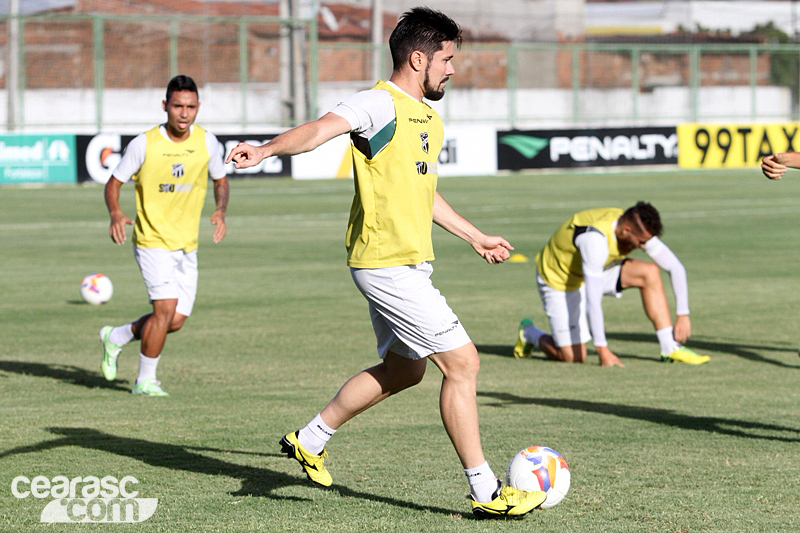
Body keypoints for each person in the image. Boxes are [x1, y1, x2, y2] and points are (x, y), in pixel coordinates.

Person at [226, 6, 544, 519]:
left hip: (408, 262)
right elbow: (319, 130)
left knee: (405, 370)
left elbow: (424, 193)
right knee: (464, 364)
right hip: (385, 263)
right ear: (418, 59)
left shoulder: (428, 118)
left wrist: (475, 237)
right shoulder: (379, 103)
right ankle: (486, 492)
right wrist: (266, 150)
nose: (452, 69)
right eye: (447, 59)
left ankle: (310, 438)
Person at [99, 75, 229, 396]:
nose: (184, 114)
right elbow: (114, 182)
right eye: (177, 106)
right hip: (151, 240)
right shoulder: (144, 144)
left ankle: (117, 336)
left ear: (198, 108)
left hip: (187, 244)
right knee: (165, 310)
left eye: (190, 107)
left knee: (175, 320)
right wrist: (115, 213)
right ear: (165, 106)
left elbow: (221, 180)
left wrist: (220, 210)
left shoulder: (207, 142)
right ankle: (145, 381)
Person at [514, 202, 710, 367]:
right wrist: (603, 350)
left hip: (595, 270)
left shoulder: (633, 225)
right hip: (560, 280)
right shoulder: (595, 240)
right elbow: (593, 300)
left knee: (649, 273)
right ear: (626, 231)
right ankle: (530, 334)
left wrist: (683, 314)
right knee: (573, 357)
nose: (643, 247)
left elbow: (675, 268)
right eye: (641, 243)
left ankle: (669, 348)